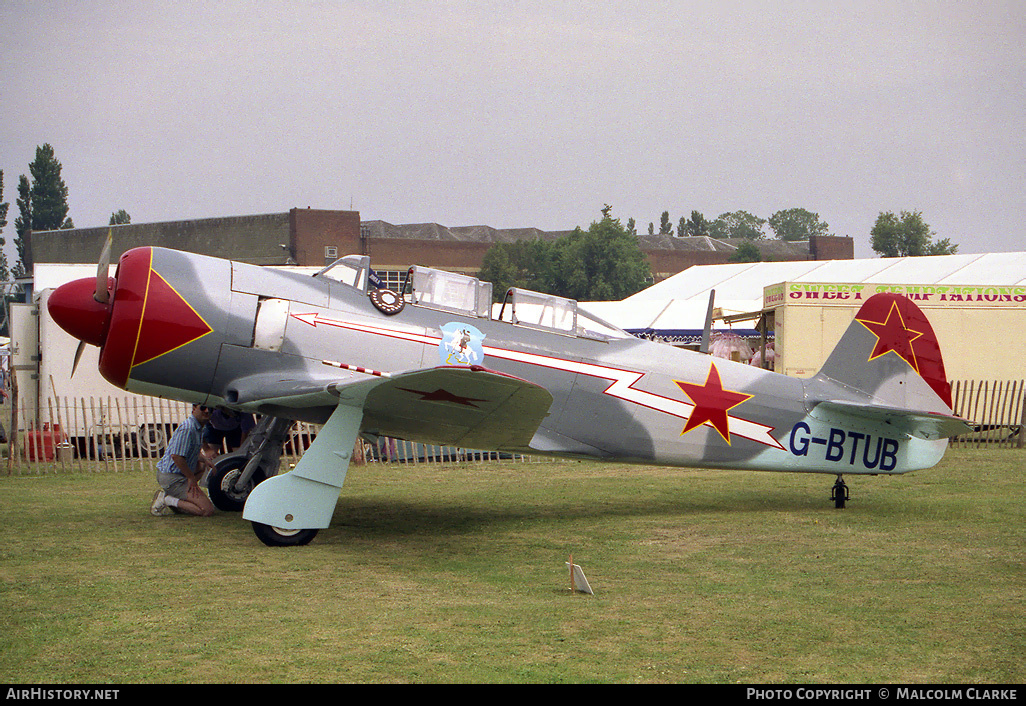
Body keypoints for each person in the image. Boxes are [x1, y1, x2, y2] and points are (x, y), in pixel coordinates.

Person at [150, 404, 217, 517]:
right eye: (202, 408)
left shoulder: (198, 427)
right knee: (207, 510)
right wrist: (191, 478)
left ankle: (180, 497)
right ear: (194, 408)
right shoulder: (188, 428)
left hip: (178, 475)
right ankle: (166, 499)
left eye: (210, 408)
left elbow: (191, 452)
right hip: (172, 477)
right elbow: (177, 456)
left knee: (201, 466)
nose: (206, 411)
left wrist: (205, 459)